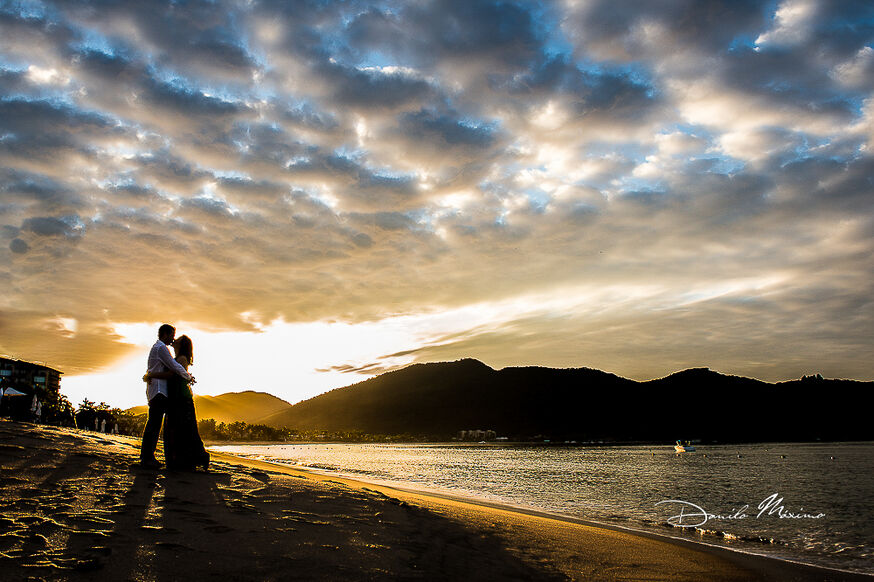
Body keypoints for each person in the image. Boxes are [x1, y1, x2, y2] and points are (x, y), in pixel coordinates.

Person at [144, 334, 209, 471]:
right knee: (177, 430)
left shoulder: (182, 359)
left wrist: (151, 375)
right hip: (175, 397)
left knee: (186, 430)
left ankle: (198, 458)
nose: (174, 340)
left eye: (177, 339)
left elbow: (171, 375)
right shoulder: (174, 359)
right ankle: (179, 461)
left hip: (181, 398)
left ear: (181, 344)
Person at [140, 324, 191, 468]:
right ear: (165, 334)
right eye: (172, 335)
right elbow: (173, 367)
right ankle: (147, 458)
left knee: (154, 424)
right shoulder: (161, 348)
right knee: (154, 424)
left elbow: (157, 368)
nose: (173, 339)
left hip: (157, 389)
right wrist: (188, 376)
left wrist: (149, 375)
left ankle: (147, 456)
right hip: (158, 390)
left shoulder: (157, 348)